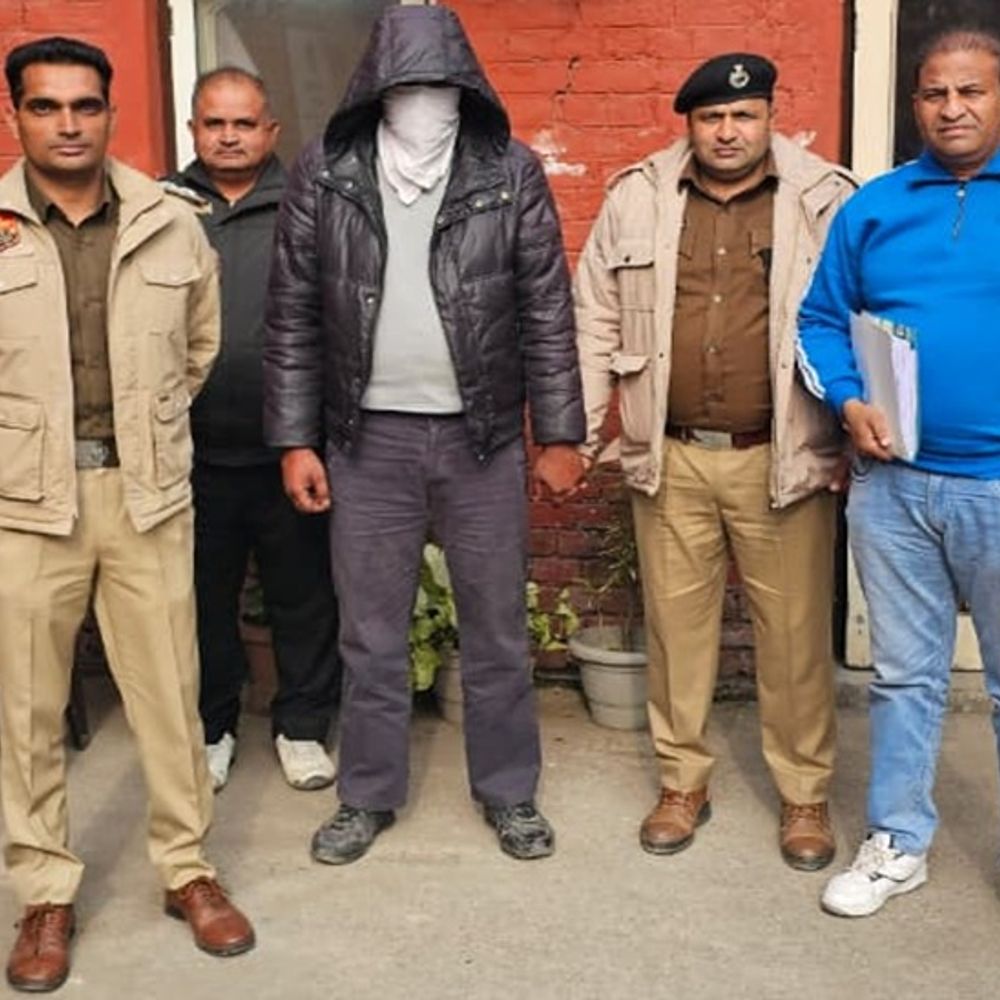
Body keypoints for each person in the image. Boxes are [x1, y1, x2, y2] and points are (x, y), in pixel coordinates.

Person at [264, 4, 584, 865]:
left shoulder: (508, 169)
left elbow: (547, 308)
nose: (423, 102)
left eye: (440, 85)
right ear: (375, 87)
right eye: (406, 85)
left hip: (484, 438)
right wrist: (295, 440)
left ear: (466, 88)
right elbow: (292, 313)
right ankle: (366, 795)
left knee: (497, 629)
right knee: (370, 632)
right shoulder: (329, 169)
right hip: (365, 440)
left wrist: (559, 432)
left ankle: (509, 791)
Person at [0, 37, 254, 992]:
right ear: (16, 116)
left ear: (110, 113)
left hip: (146, 495)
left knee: (170, 696)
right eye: (45, 106)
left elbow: (199, 349)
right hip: (27, 504)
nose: (68, 124)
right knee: (26, 709)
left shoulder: (168, 221)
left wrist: (149, 432)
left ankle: (187, 870)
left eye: (85, 106)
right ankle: (45, 892)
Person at [574, 53, 857, 869]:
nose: (728, 131)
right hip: (671, 456)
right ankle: (682, 782)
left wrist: (853, 436)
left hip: (784, 458)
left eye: (744, 115)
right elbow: (593, 315)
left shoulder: (825, 199)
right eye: (711, 118)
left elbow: (864, 317)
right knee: (676, 634)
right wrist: (585, 432)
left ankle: (803, 794)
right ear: (690, 125)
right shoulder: (637, 196)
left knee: (794, 639)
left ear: (770, 117)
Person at [798, 28, 1000, 918]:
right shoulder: (874, 207)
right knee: (905, 676)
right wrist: (848, 402)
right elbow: (819, 320)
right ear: (914, 104)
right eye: (934, 93)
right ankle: (898, 842)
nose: (951, 108)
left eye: (971, 91)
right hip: (896, 488)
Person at [169, 67, 341, 793]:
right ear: (193, 130)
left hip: (289, 447)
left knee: (303, 596)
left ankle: (302, 728)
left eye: (244, 123)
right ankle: (213, 728)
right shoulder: (165, 210)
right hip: (190, 451)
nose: (229, 136)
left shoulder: (309, 205)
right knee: (201, 600)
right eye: (215, 123)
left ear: (271, 131)